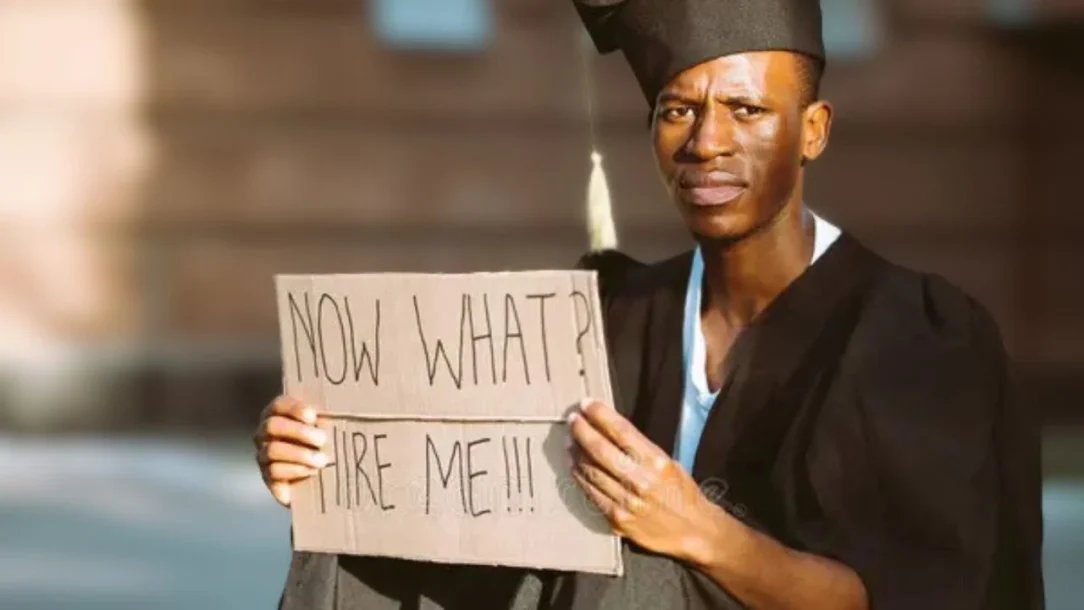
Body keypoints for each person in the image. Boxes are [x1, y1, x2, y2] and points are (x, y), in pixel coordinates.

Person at [253, 0, 1046, 608]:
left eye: (747, 110)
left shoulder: (912, 333)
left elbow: (900, 593)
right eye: (678, 109)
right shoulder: (617, 310)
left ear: (813, 131)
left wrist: (698, 531)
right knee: (355, 553)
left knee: (633, 567)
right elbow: (471, 501)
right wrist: (330, 458)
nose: (707, 142)